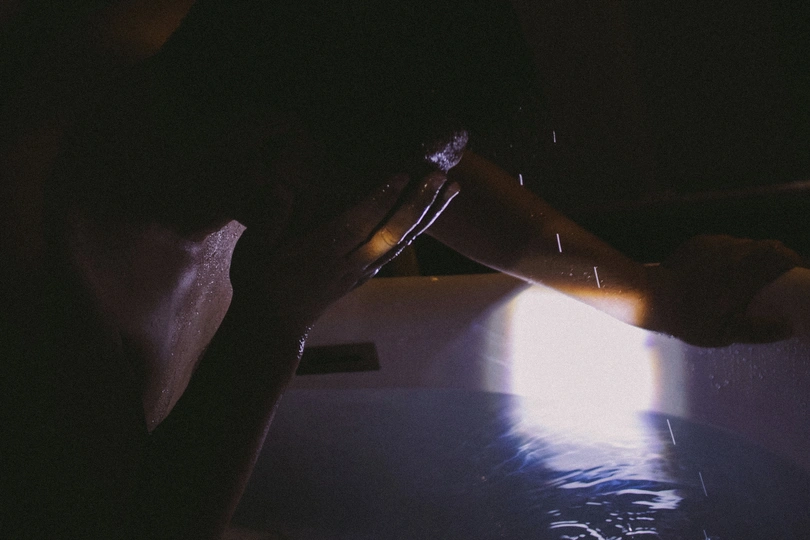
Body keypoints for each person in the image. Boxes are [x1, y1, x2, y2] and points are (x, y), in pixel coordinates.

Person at [1, 1, 805, 538]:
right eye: (397, 187)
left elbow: (404, 152)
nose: (419, 205)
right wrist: (270, 327)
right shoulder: (48, 306)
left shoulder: (219, 66)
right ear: (277, 160)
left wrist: (646, 291)